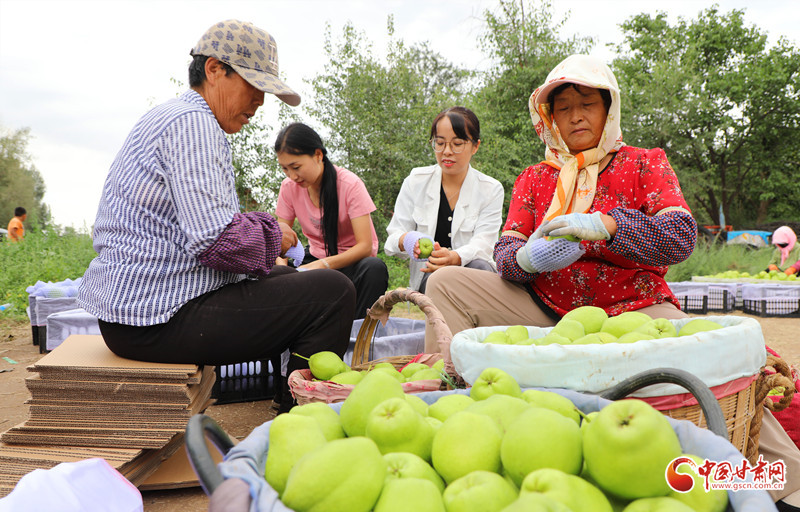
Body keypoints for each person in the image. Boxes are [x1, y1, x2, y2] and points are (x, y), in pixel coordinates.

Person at [424, 54, 800, 509]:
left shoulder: (644, 164)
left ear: (609, 109)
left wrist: (611, 225)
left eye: (587, 104)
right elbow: (505, 254)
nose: (575, 116)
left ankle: (784, 481)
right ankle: (452, 407)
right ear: (549, 118)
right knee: (445, 283)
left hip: (637, 306)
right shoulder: (535, 179)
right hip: (545, 308)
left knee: (704, 359)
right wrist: (527, 258)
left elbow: (680, 236)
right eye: (563, 108)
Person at [77, 20, 356, 414]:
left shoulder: (170, 116)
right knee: (333, 292)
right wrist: (274, 234)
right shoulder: (194, 124)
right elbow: (217, 240)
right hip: (156, 316)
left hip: (135, 311)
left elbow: (206, 226)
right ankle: (303, 416)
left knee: (291, 280)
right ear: (213, 69)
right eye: (253, 85)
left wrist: (262, 233)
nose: (260, 101)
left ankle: (288, 397)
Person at [274, 122, 388, 320]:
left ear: (318, 155)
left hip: (352, 263)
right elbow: (280, 240)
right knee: (270, 272)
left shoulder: (350, 185)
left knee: (374, 269)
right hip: (315, 258)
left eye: (296, 167)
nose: (292, 176)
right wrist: (282, 271)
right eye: (285, 169)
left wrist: (324, 265)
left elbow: (365, 246)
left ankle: (358, 333)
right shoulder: (288, 188)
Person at [384, 106, 504, 294]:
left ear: (475, 146)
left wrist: (455, 257)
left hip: (473, 273)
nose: (447, 151)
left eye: (457, 144)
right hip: (430, 276)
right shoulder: (416, 181)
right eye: (440, 143)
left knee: (481, 266)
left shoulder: (491, 189)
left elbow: (484, 244)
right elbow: (392, 239)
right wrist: (406, 240)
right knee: (438, 279)